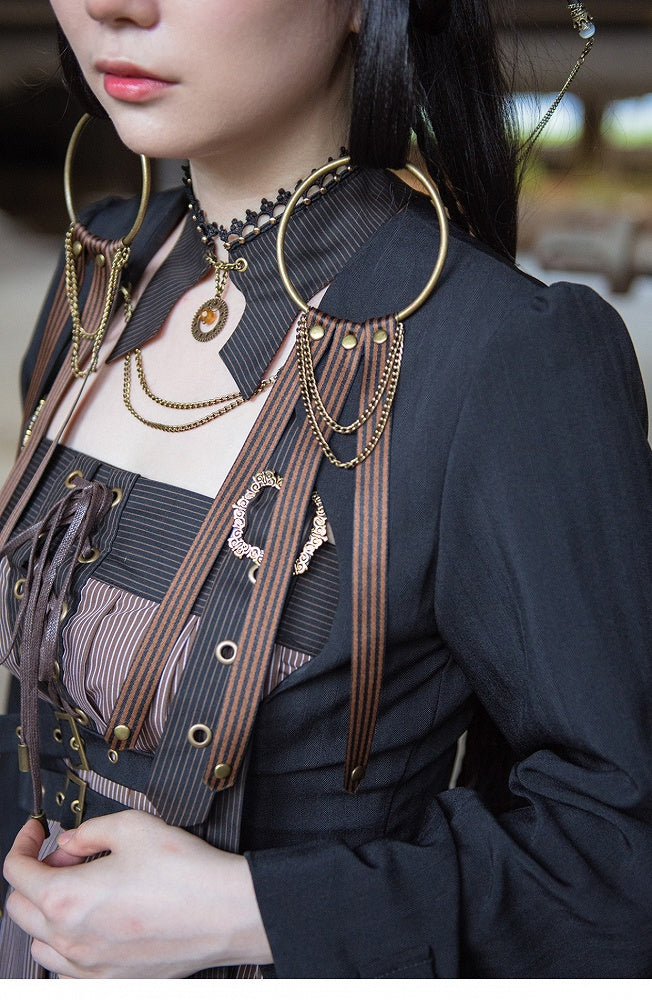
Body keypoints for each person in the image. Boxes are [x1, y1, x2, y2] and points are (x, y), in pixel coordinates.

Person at [0, 0, 651, 979]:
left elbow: (616, 860)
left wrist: (248, 911)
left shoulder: (506, 356)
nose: (113, 6)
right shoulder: (97, 272)